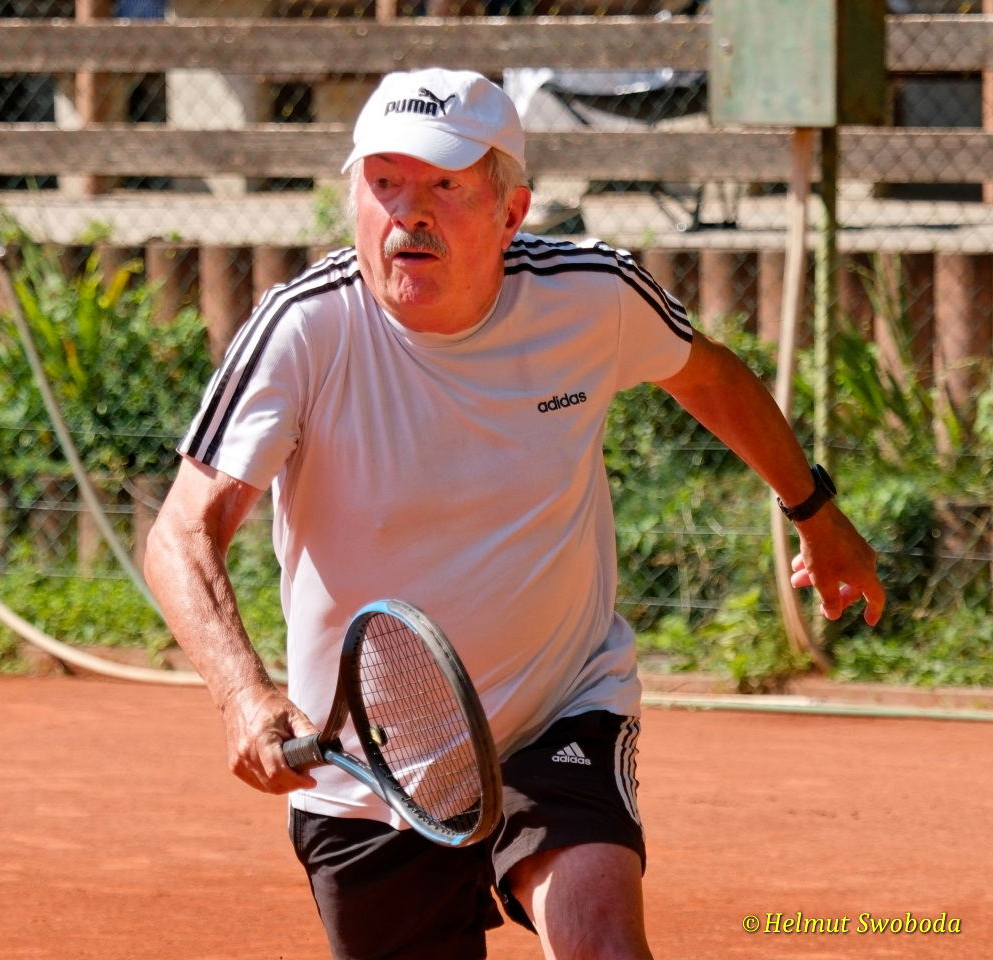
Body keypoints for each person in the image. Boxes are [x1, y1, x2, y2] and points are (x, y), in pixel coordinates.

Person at [144, 67, 885, 960]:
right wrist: (242, 693)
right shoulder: (303, 330)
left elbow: (712, 378)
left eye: (444, 186)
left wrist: (817, 514)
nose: (408, 213)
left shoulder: (593, 296)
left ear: (511, 211)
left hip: (558, 713)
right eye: (385, 183)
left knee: (604, 946)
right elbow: (182, 533)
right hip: (372, 773)